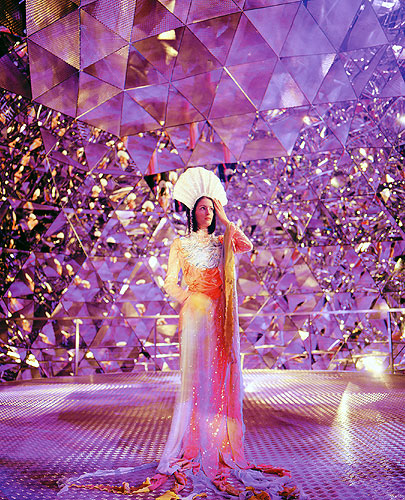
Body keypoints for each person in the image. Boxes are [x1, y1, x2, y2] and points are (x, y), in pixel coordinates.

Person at [61, 168, 305, 500]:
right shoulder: (180, 244)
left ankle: (217, 444)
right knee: (197, 379)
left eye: (211, 208)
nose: (207, 213)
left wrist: (225, 217)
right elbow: (169, 283)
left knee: (219, 376)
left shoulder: (221, 242)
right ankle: (195, 444)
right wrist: (189, 297)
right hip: (195, 315)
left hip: (220, 317)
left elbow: (245, 245)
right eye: (203, 208)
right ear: (193, 212)